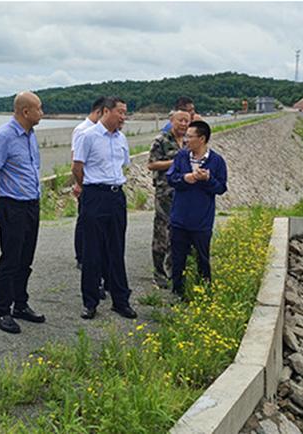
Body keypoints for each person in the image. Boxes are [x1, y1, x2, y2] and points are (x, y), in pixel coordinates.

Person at [0, 91, 46, 334]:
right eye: (39, 108)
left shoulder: (30, 135)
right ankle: (2, 311)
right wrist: (0, 194)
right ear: (25, 111)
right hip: (13, 205)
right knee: (10, 259)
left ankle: (20, 303)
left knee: (26, 258)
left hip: (31, 203)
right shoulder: (4, 136)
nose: (42, 113)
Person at [71, 96, 137, 320]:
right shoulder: (87, 136)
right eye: (120, 112)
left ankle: (121, 300)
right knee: (92, 251)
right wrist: (85, 187)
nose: (123, 117)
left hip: (116, 196)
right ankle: (90, 302)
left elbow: (123, 166)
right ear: (106, 112)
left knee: (117, 249)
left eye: (125, 112)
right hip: (94, 195)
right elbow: (77, 167)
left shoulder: (121, 139)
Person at [167, 120, 227, 298]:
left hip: (201, 221)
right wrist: (186, 178)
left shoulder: (216, 161)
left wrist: (207, 179)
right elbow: (171, 178)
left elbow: (221, 188)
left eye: (190, 136)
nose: (186, 140)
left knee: (203, 258)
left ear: (202, 139)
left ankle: (205, 292)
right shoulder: (181, 157)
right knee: (178, 259)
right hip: (179, 218)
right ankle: (178, 292)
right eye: (186, 136)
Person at [147, 109, 190, 289]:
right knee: (162, 232)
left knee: (179, 233)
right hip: (165, 192)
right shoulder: (161, 141)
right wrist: (175, 162)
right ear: (172, 120)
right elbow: (151, 164)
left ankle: (174, 270)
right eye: (180, 120)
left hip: (184, 192)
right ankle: (158, 272)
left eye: (187, 121)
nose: (183, 124)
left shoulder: (188, 142)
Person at [71, 96, 105, 270]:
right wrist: (79, 184)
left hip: (97, 185)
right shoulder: (83, 130)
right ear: (99, 112)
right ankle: (81, 256)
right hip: (86, 183)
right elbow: (76, 160)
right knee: (84, 220)